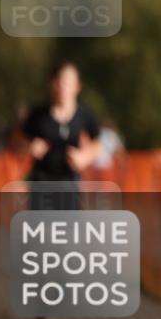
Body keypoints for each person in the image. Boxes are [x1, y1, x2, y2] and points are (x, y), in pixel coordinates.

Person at [22, 61, 102, 209]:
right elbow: (17, 143)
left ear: (77, 86)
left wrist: (85, 156)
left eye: (67, 82)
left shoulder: (85, 115)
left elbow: (98, 144)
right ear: (52, 84)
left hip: (70, 185)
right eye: (59, 82)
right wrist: (29, 147)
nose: (63, 87)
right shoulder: (38, 115)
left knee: (68, 230)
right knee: (42, 231)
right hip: (41, 184)